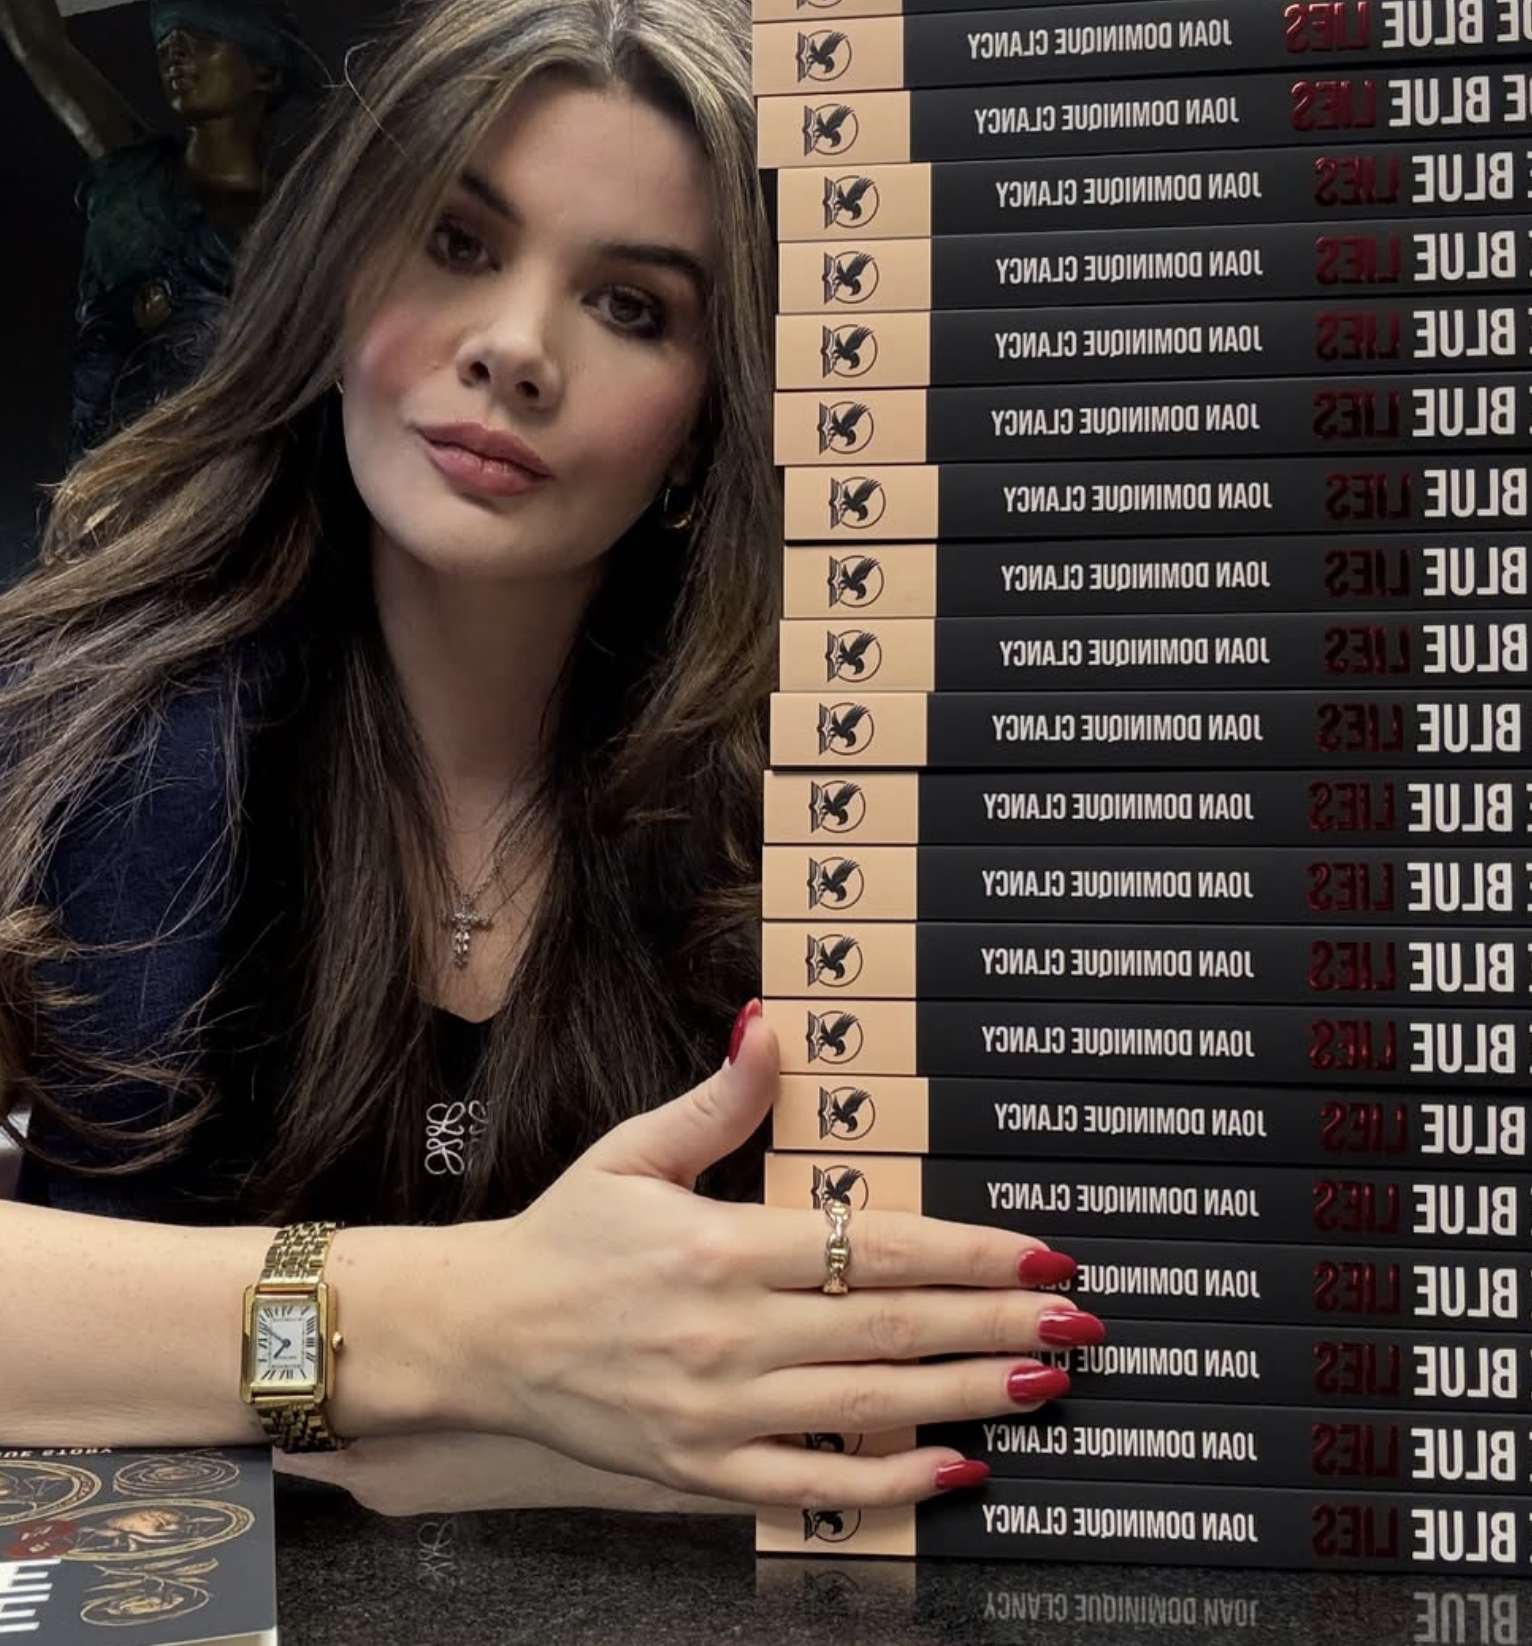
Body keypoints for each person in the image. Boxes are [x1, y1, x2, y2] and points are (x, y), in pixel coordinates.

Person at [0, 0, 1101, 1519]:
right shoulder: (56, 730)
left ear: (715, 414)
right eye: (458, 242)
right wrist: (480, 1332)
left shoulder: (835, 814)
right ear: (332, 280)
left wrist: (349, 1432)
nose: (515, 348)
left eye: (633, 308)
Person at [0, 0, 325, 459]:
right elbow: (40, 43)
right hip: (102, 493)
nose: (176, 52)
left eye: (203, 39)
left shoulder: (302, 223)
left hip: (227, 494)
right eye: (167, 40)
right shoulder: (134, 168)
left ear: (265, 73)